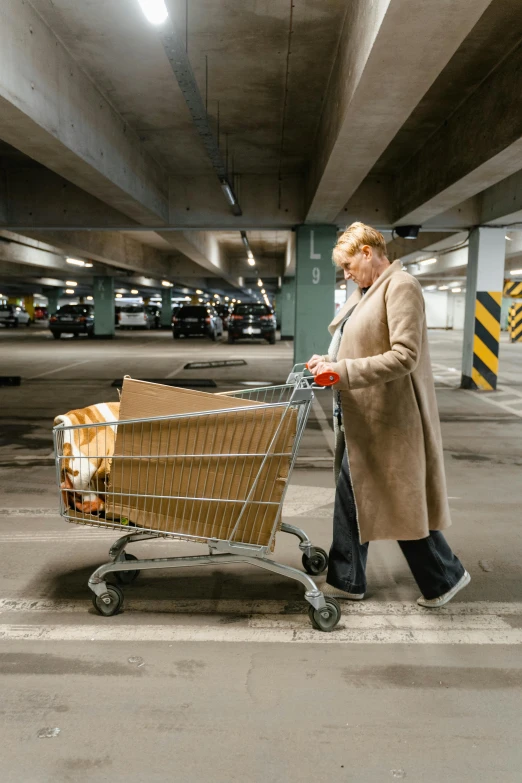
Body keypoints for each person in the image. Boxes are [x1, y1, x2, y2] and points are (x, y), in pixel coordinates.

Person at [307, 222, 470, 608]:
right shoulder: (367, 292)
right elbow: (361, 343)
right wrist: (330, 360)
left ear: (368, 252)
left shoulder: (401, 287)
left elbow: (403, 355)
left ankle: (445, 576)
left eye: (348, 265)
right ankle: (348, 579)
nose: (346, 274)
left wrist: (342, 372)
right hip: (365, 415)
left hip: (391, 416)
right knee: (353, 495)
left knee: (398, 501)